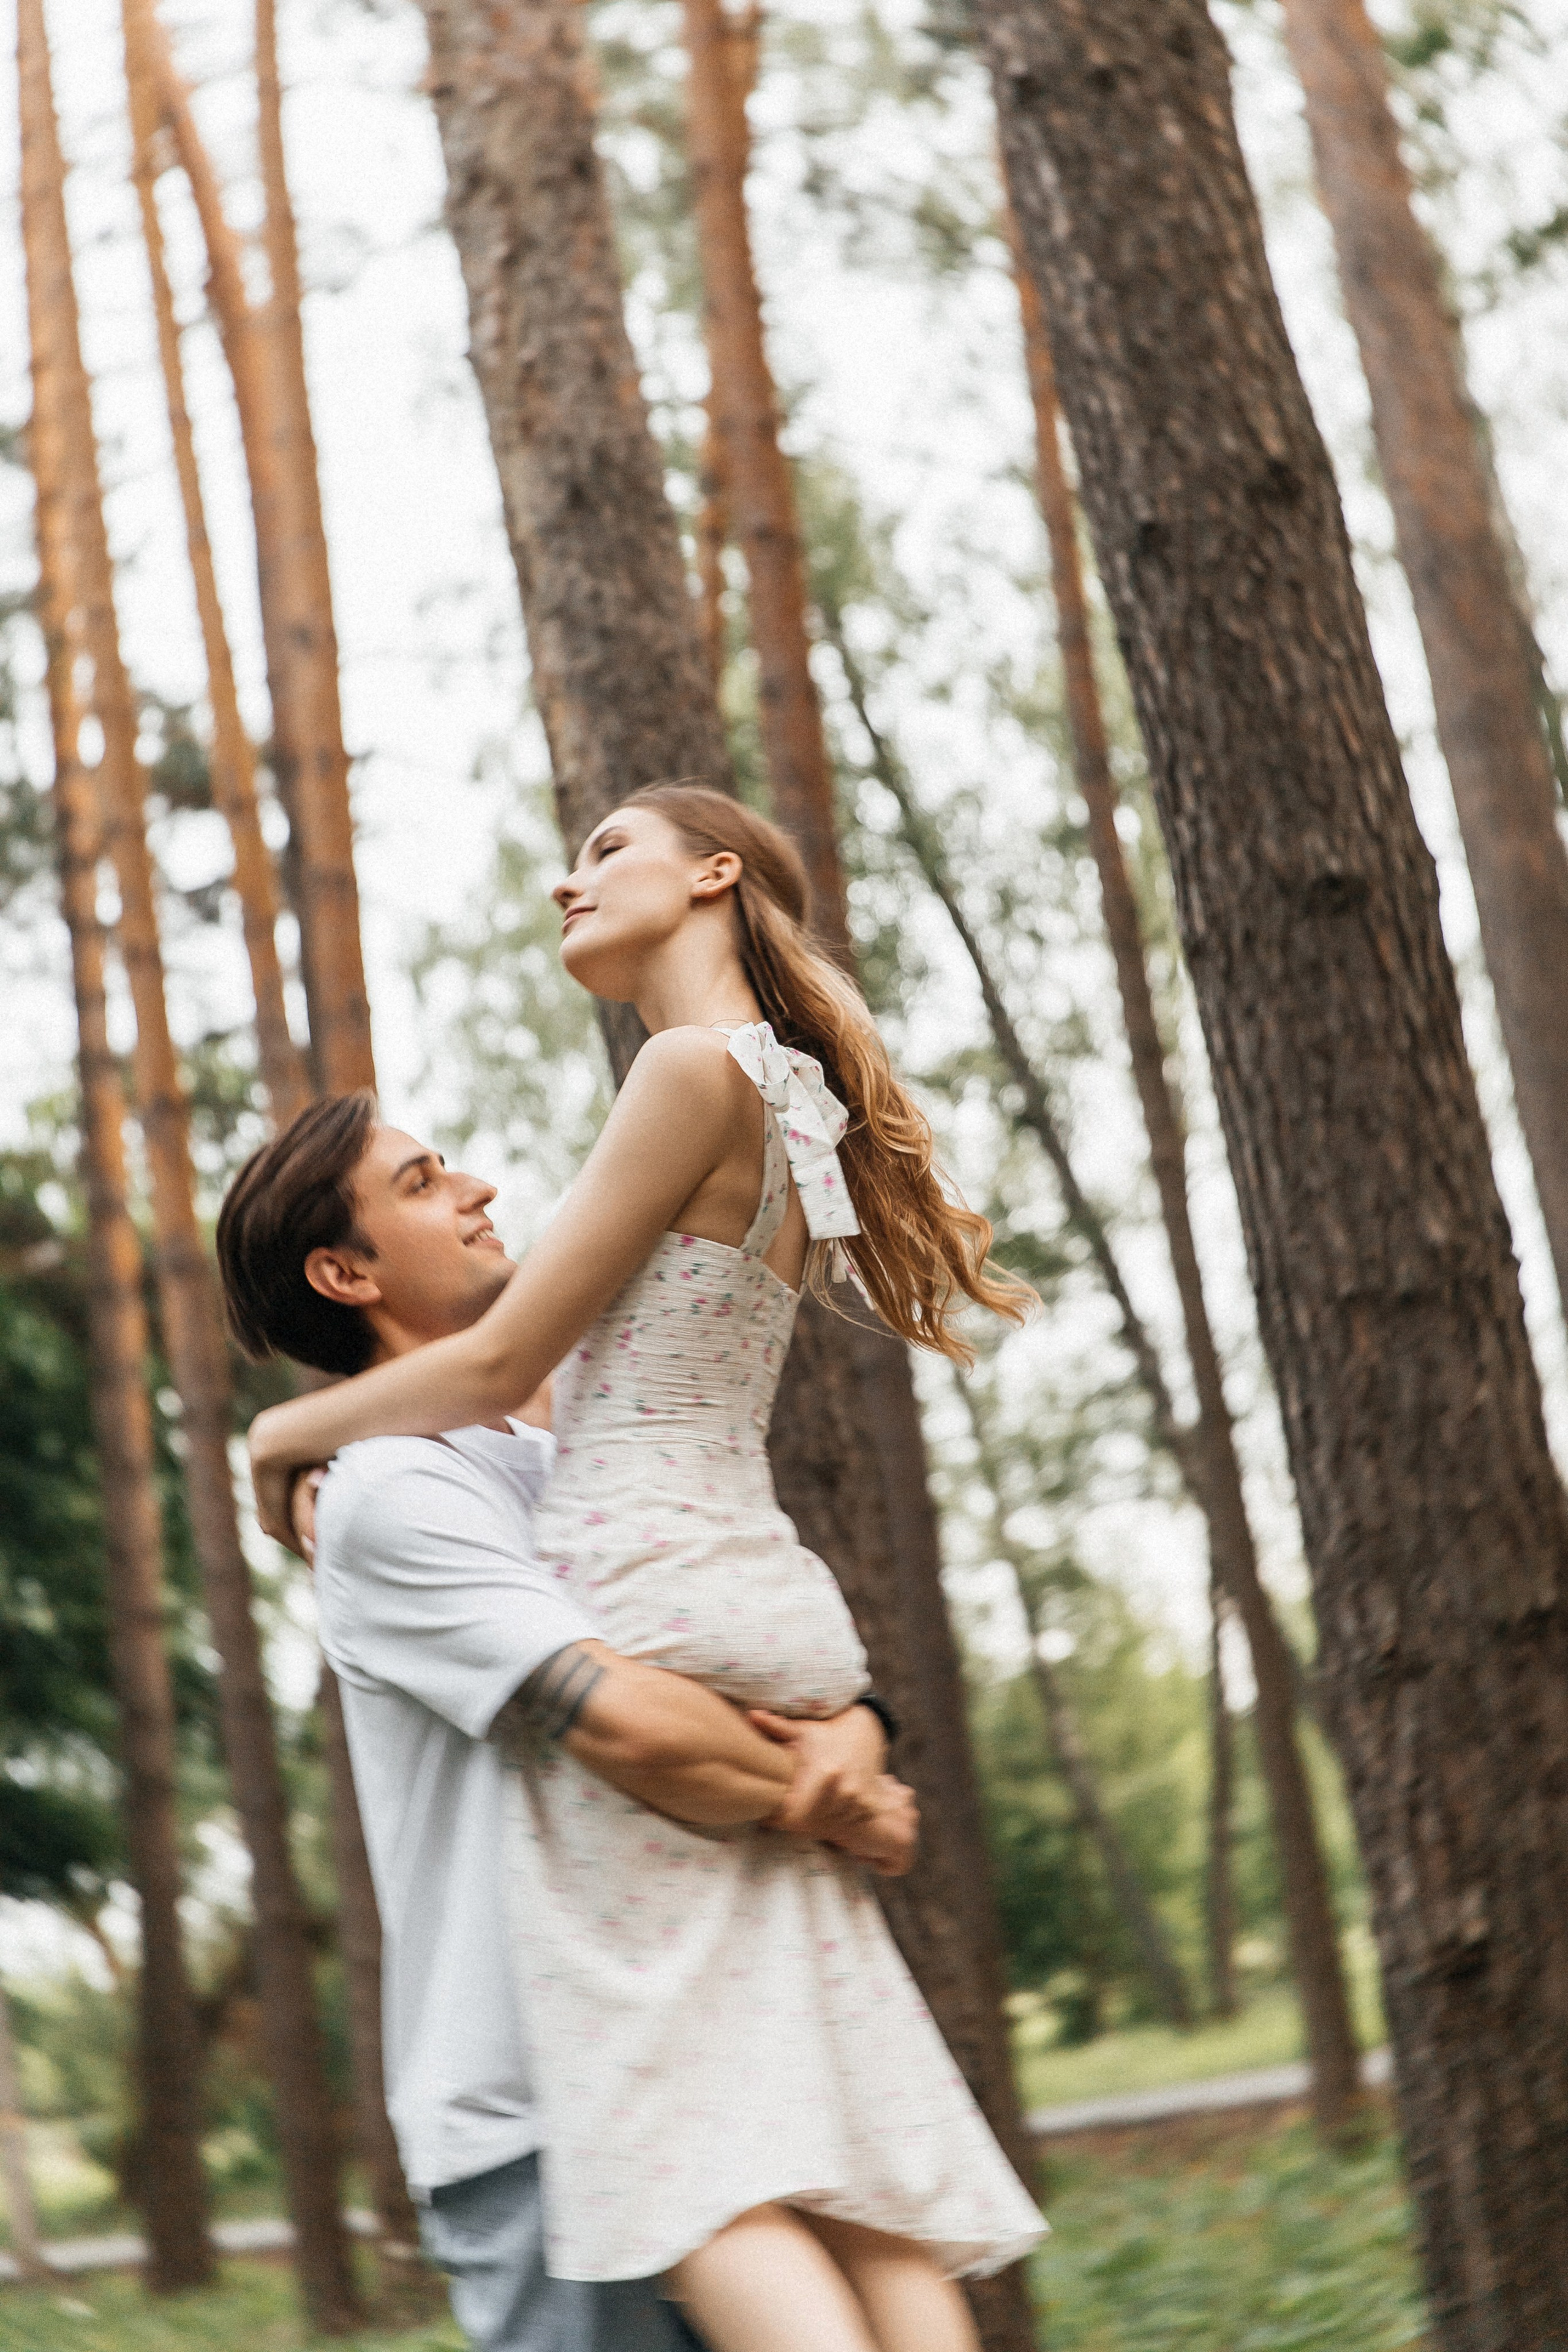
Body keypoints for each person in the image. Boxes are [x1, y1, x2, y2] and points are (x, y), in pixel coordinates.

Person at [244, 785, 1046, 2352]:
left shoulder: (684, 1074)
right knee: (854, 2179)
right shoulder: (786, 1098)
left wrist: (273, 1441)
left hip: (661, 1606)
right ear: (342, 1272)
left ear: (713, 875)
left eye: (607, 848)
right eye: (423, 1183)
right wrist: (840, 1762)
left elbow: (508, 1374)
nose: (569, 882)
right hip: (742, 1575)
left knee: (709, 2177)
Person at [216, 1093, 918, 2352]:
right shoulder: (390, 1493)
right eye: (422, 1182)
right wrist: (839, 1795)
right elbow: (638, 1729)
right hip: (540, 2121)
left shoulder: (585, 1451)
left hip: (717, 2062)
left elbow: (768, 1668)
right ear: (344, 1272)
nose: (478, 1187)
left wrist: (857, 1730)